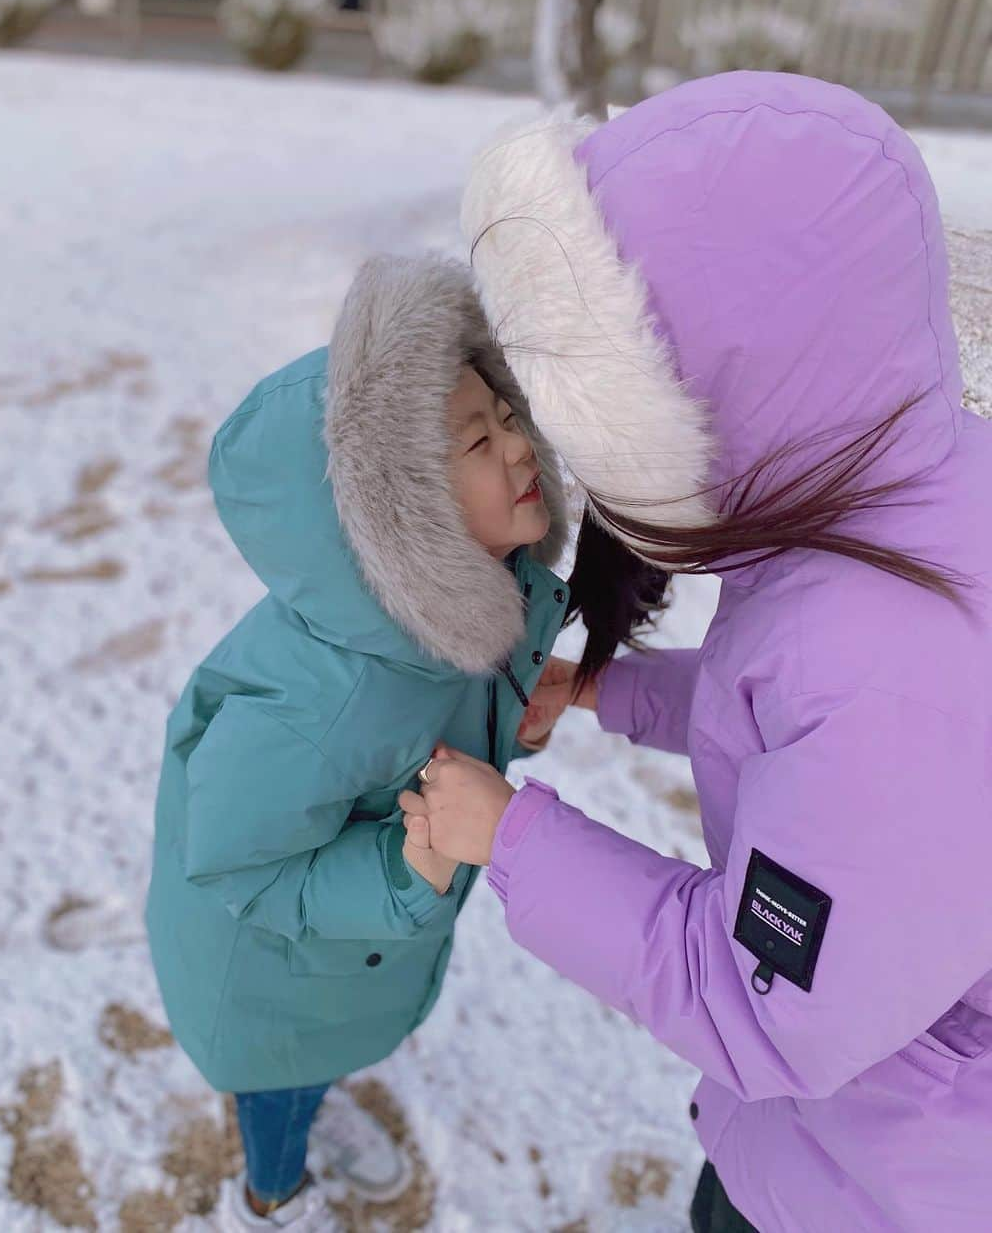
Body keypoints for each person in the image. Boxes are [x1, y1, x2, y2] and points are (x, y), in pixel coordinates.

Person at [402, 73, 992, 1232]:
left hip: (879, 1182)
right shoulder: (896, 500)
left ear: (726, 388)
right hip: (850, 1115)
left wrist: (512, 836)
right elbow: (788, 710)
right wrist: (610, 692)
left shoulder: (910, 678)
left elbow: (762, 1006)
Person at [144, 254, 569, 1229]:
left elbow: (430, 738)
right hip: (269, 977)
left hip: (330, 961)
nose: (518, 451)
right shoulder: (316, 705)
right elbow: (237, 869)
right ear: (396, 513)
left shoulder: (437, 628)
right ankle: (273, 1191)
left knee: (310, 1061)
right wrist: (404, 868)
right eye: (475, 440)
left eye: (509, 420)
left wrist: (513, 719)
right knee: (282, 1090)